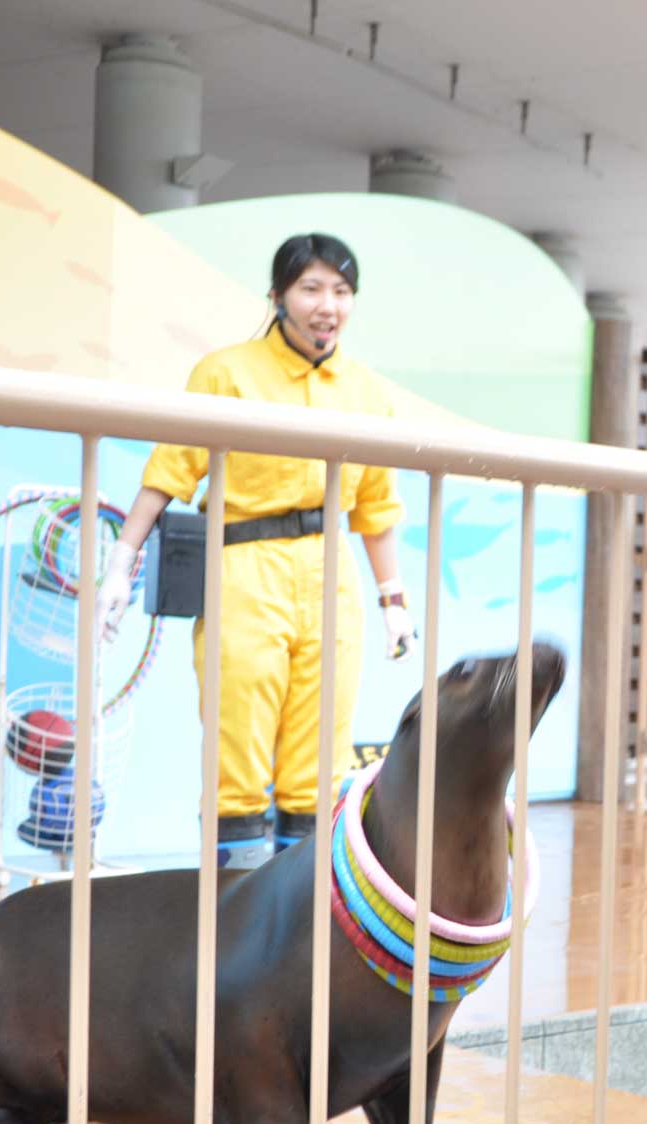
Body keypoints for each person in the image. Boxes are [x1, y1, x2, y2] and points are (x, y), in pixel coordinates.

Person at [96, 233, 415, 869]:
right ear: (277, 296)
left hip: (331, 576)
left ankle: (302, 918)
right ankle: (231, 912)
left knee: (320, 759)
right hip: (243, 566)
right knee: (237, 750)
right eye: (312, 288)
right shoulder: (226, 372)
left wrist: (394, 600)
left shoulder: (370, 393)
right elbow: (171, 468)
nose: (328, 305)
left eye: (342, 291)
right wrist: (121, 561)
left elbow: (375, 508)